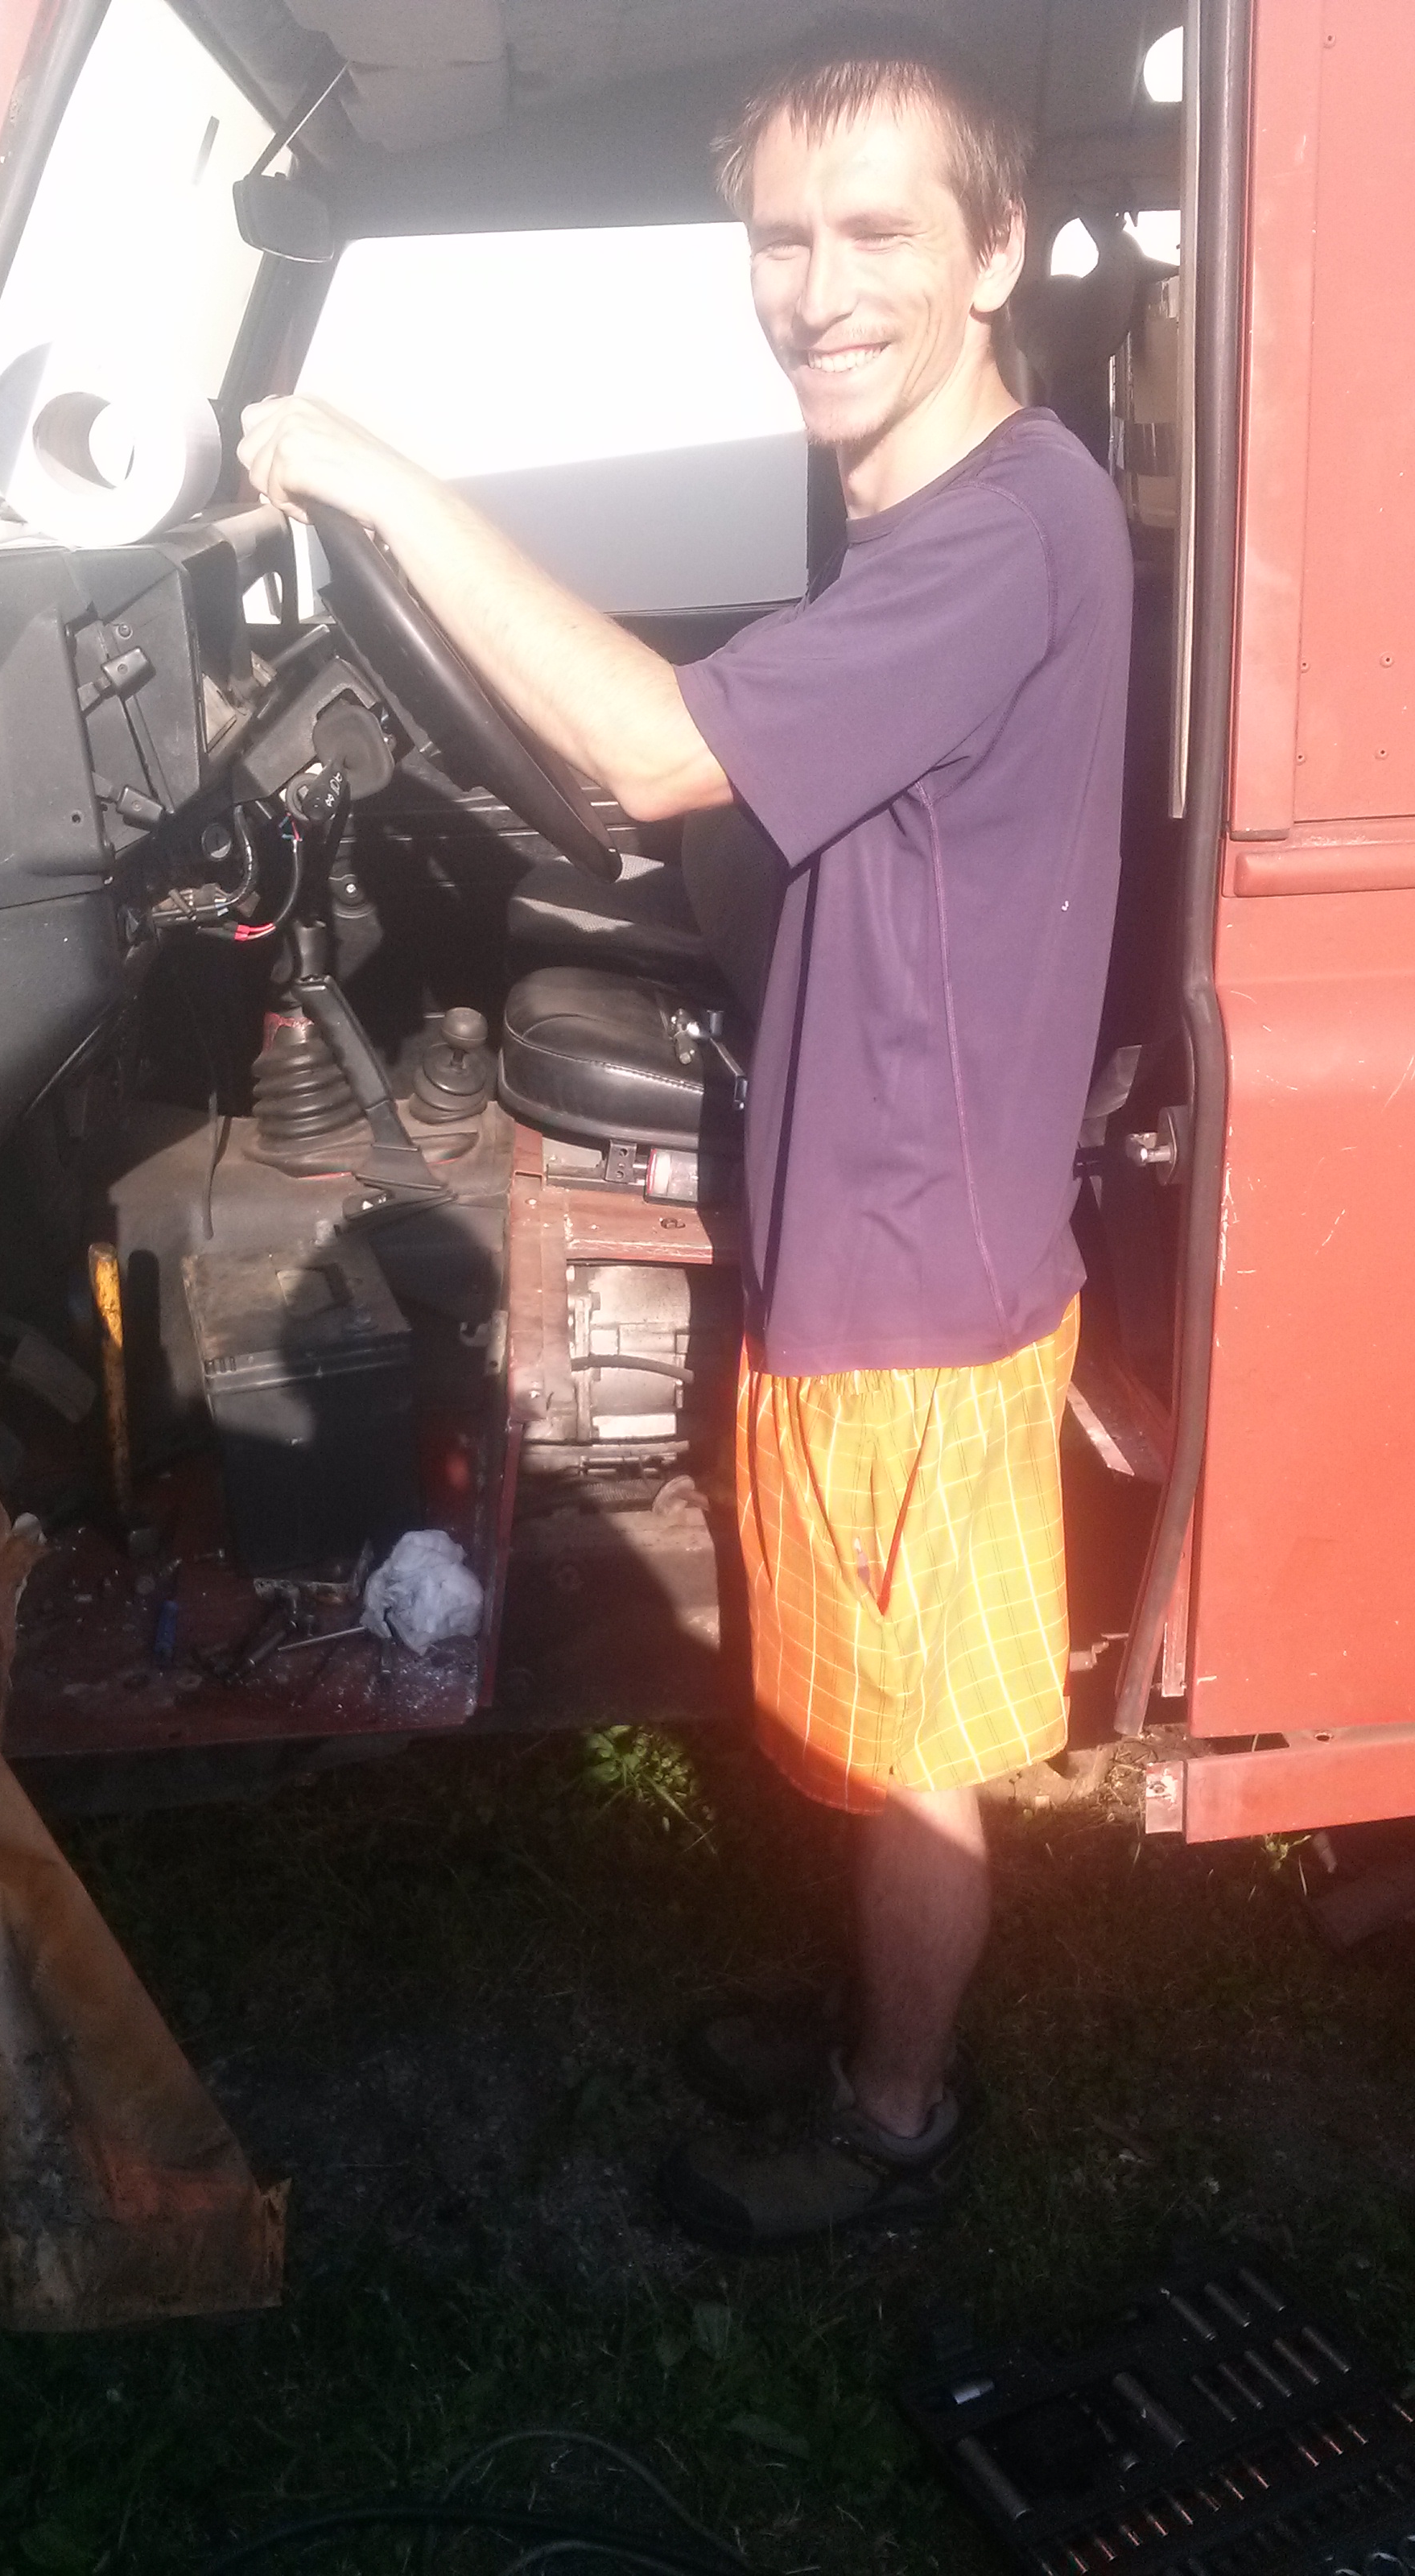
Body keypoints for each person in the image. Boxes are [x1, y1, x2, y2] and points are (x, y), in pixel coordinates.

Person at [238, 12, 1133, 2251]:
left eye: (876, 236)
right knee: (848, 1686)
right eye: (779, 242)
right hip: (860, 1207)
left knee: (913, 1749)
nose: (816, 292)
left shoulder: (1003, 530)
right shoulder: (931, 509)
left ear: (993, 253)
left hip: (915, 1260)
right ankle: (867, 2015)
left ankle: (899, 2116)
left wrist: (382, 480)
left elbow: (651, 748)